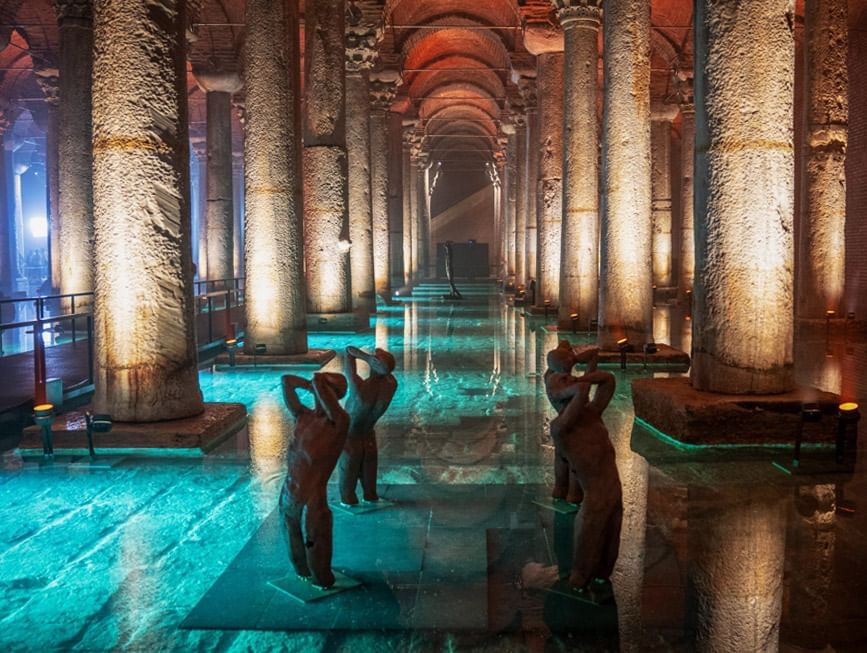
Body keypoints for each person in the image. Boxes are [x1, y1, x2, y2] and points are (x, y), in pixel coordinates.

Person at [545, 342, 622, 592]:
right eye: (563, 379)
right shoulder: (561, 428)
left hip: (613, 487)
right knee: (589, 535)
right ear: (557, 395)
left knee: (611, 537)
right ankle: (578, 580)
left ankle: (602, 574)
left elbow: (608, 380)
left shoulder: (592, 413)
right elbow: (579, 393)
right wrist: (577, 382)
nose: (570, 379)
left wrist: (582, 373)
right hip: (595, 492)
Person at [278, 372, 349, 588]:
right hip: (289, 490)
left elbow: (323, 391)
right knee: (291, 535)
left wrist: (318, 383)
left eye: (323, 388)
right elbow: (286, 381)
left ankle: (322, 578)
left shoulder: (338, 422)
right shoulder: (303, 416)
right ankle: (302, 572)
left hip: (313, 495)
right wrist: (311, 385)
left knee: (316, 542)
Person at [338, 346, 398, 505]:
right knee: (369, 471)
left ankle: (348, 500)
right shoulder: (391, 384)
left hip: (350, 435)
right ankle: (370, 495)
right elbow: (385, 368)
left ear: (375, 364)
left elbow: (348, 352)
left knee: (348, 475)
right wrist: (377, 362)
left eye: (375, 358)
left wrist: (367, 358)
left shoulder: (359, 388)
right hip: (368, 433)